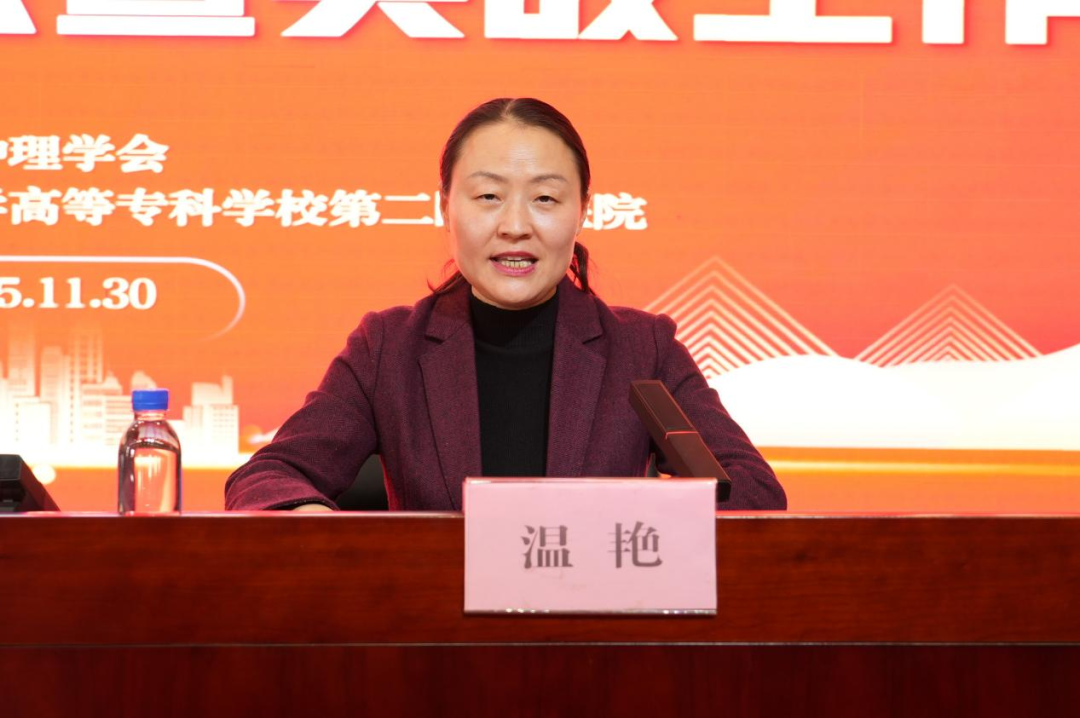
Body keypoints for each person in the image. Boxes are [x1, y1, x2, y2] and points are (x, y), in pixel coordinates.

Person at [225, 98, 786, 512]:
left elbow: (754, 491)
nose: (515, 225)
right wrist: (315, 523)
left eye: (545, 198)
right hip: (436, 627)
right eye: (488, 196)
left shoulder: (643, 348)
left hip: (594, 629)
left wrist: (638, 521)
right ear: (445, 206)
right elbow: (267, 477)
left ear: (583, 209)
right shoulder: (388, 348)